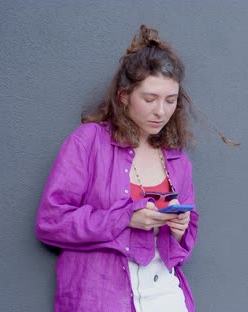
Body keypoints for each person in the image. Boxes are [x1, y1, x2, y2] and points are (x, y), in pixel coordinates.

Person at [35, 25, 203, 312]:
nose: (160, 111)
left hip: (165, 295)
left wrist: (178, 229)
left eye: (170, 100)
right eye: (149, 99)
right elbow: (51, 223)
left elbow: (179, 255)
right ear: (124, 96)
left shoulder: (177, 160)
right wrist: (124, 219)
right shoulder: (88, 143)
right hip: (102, 295)